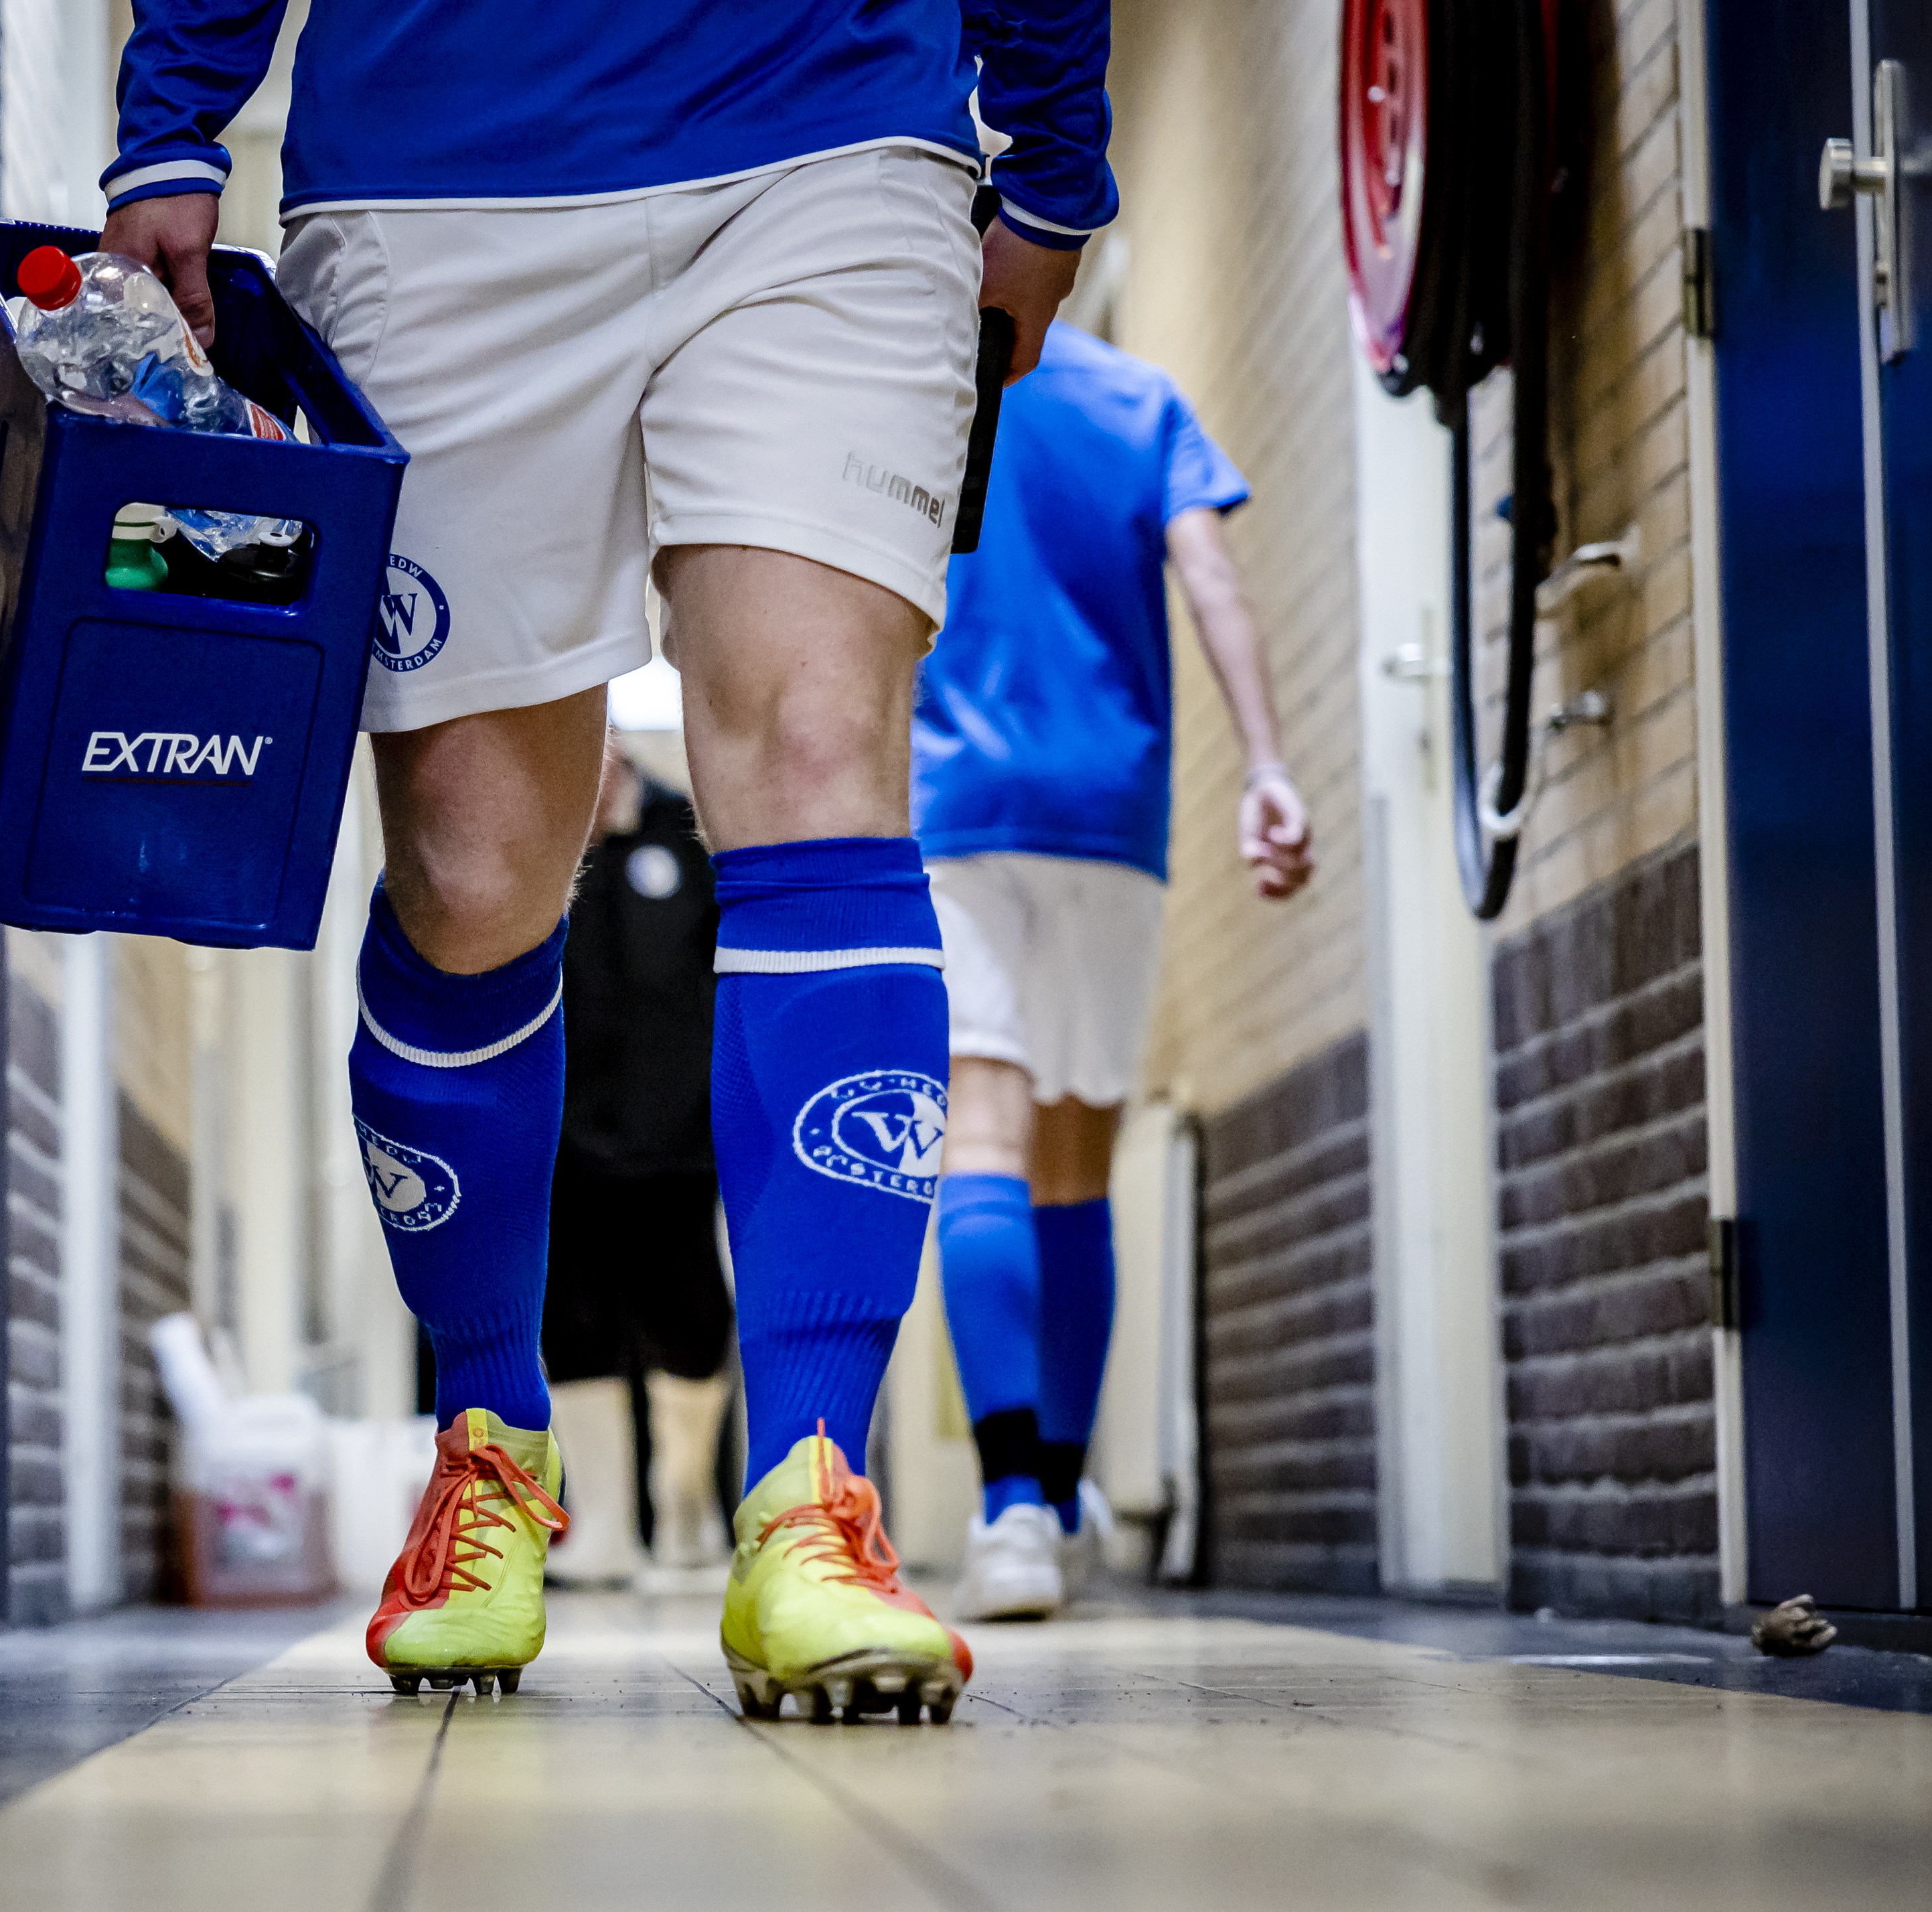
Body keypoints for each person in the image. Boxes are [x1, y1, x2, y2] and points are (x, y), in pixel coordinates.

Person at [102, 0, 1116, 1722]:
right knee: (472, 862)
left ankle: (810, 1484)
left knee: (816, 757)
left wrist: (1051, 146)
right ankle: (489, 1433)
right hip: (435, 167)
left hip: (833, 134)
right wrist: (177, 111)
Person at [913, 317, 1315, 1621]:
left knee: (979, 1130)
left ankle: (1007, 1507)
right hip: (1110, 812)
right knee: (1074, 1159)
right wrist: (1264, 762)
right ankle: (1065, 1494)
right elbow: (1210, 579)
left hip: (958, 804)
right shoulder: (1135, 399)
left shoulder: (917, 378)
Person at [540, 733, 734, 1593]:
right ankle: (606, 1525)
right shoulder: (538, 840)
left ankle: (683, 1498)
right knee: (574, 1321)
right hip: (568, 1135)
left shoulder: (686, 832)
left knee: (691, 1321)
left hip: (680, 1135)